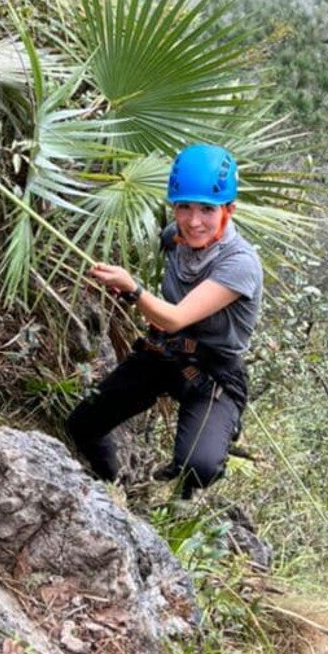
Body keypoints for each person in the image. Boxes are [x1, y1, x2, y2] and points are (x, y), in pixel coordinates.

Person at [67, 143, 263, 496]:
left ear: (228, 210)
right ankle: (111, 486)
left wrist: (133, 290)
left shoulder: (240, 264)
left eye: (207, 209)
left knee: (199, 465)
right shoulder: (174, 238)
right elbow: (167, 320)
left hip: (212, 372)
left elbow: (174, 317)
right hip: (166, 354)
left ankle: (191, 477)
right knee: (82, 424)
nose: (193, 221)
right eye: (183, 207)